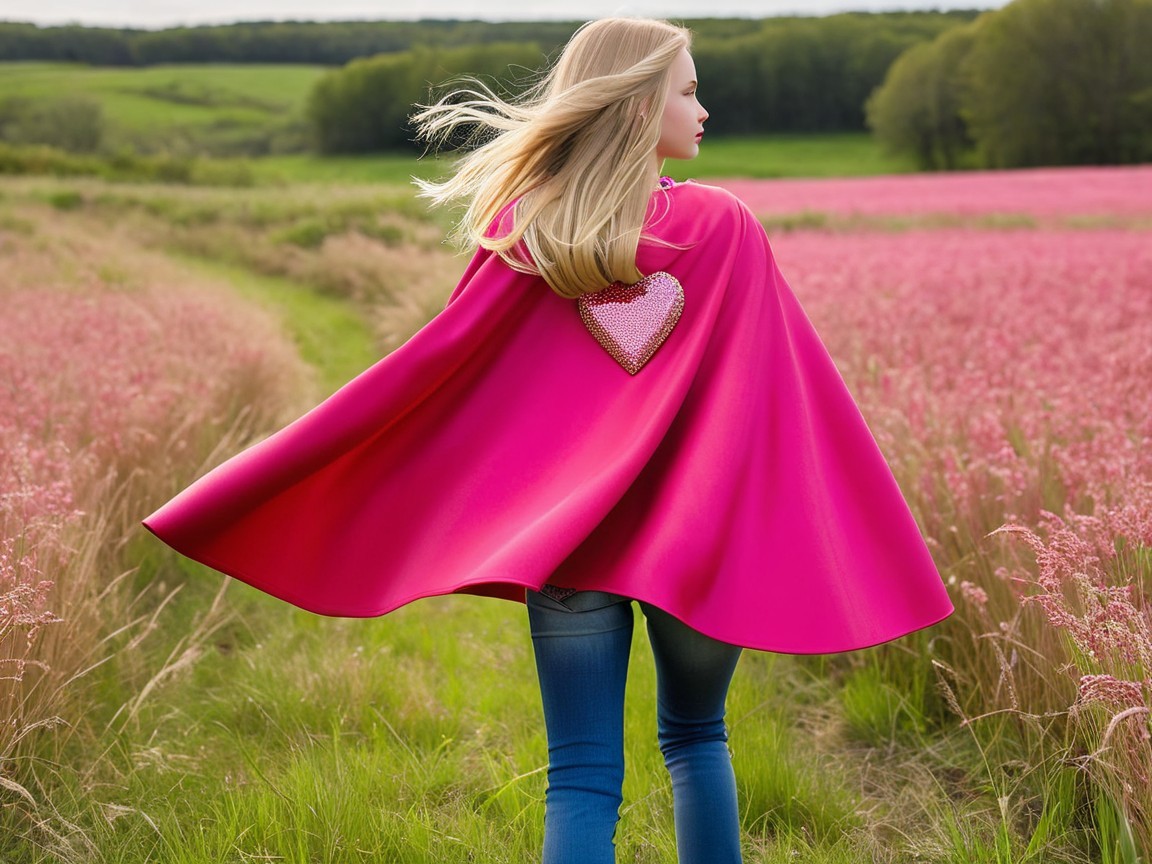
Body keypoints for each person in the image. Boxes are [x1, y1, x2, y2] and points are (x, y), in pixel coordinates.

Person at [143, 16, 954, 864]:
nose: (703, 107)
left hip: (570, 551)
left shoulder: (530, 234)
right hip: (698, 545)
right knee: (696, 738)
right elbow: (772, 390)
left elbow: (460, 373)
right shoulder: (724, 225)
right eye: (687, 89)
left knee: (581, 775)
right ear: (639, 106)